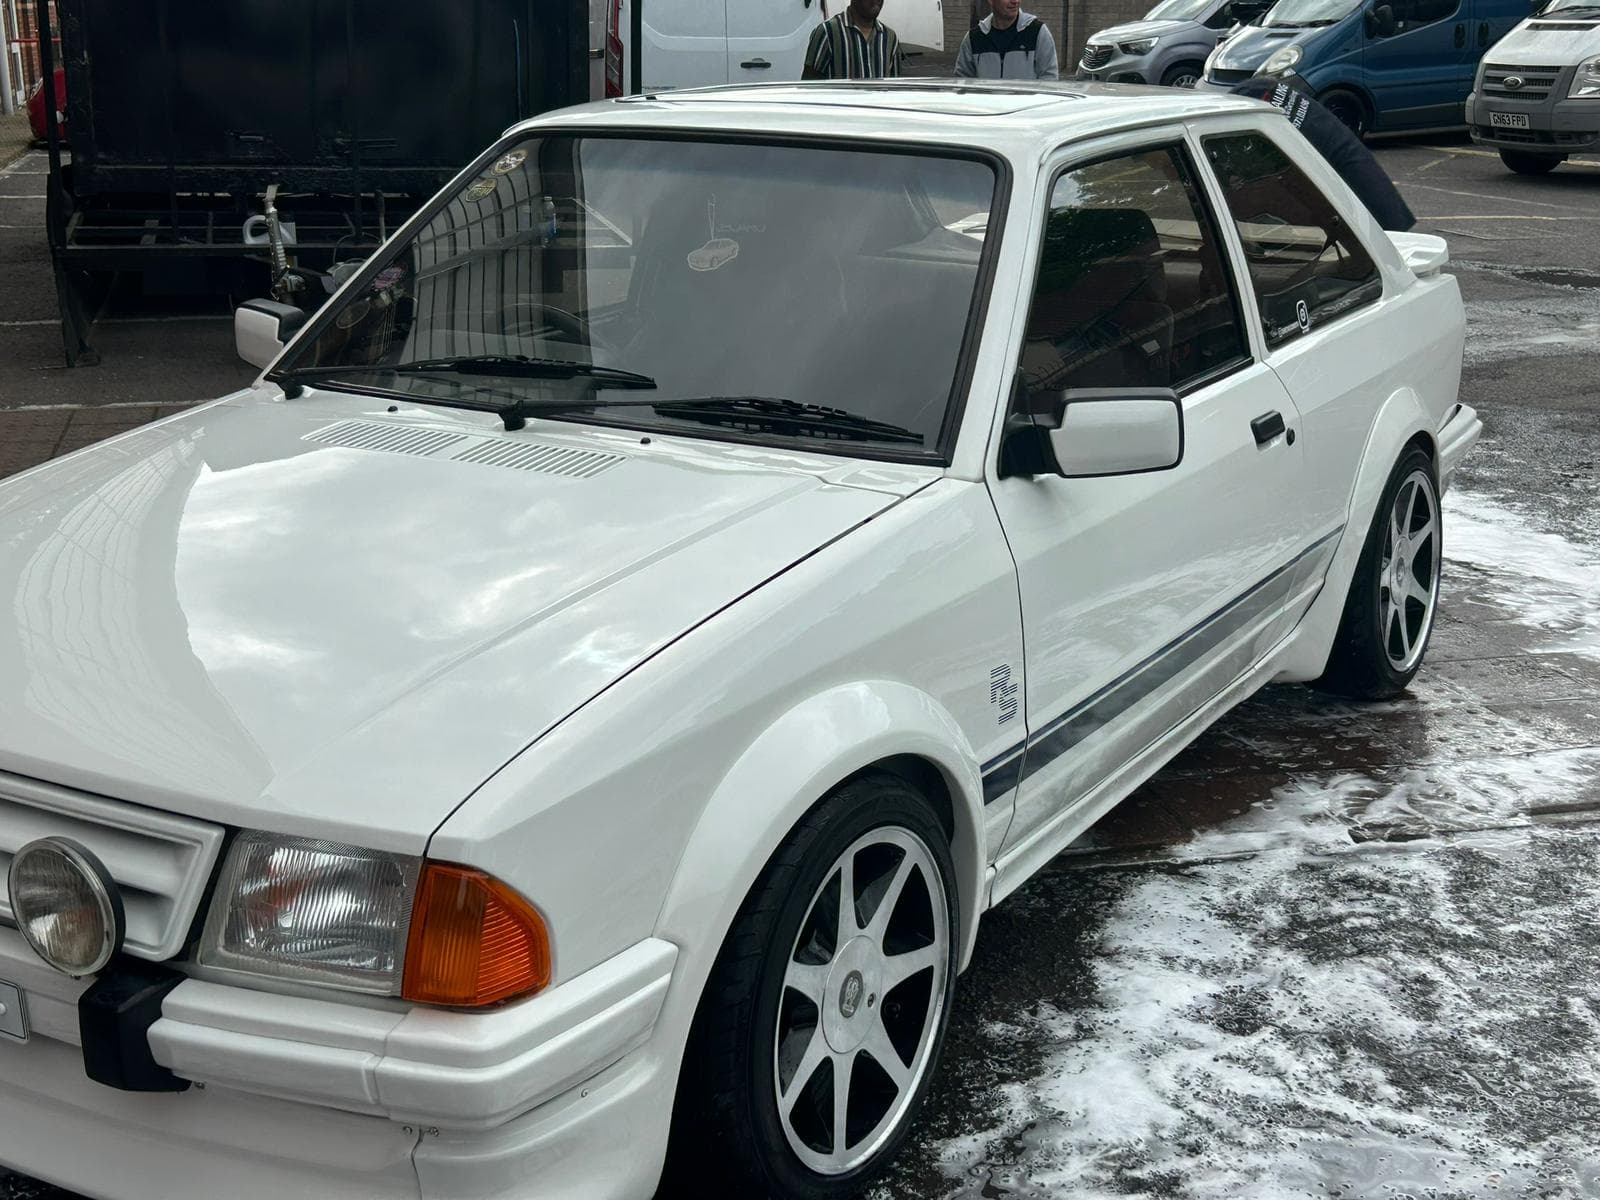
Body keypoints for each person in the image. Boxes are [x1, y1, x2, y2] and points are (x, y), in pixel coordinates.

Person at [1230, 76, 1416, 231]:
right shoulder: (1263, 89)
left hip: (1349, 179)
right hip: (1349, 159)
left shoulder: (1254, 98)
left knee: (1385, 235)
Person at [954, 0, 1060, 81]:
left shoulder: (1037, 32)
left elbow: (1049, 80)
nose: (1015, 1)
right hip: (987, 109)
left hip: (1026, 109)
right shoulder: (974, 38)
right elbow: (962, 83)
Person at [802, 0, 904, 80]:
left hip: (878, 106)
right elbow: (809, 89)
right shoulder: (828, 32)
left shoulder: (890, 38)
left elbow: (895, 90)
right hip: (840, 106)